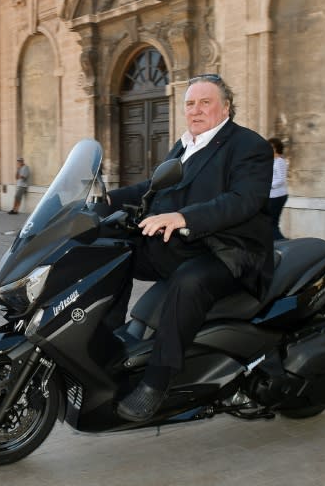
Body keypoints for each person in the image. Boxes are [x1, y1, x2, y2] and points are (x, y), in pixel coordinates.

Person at [108, 74, 273, 422]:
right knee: (115, 253)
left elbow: (243, 200)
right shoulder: (185, 145)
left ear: (225, 107)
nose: (195, 110)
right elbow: (152, 188)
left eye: (205, 102)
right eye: (189, 104)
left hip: (231, 252)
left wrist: (182, 217)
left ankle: (157, 382)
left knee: (189, 281)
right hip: (188, 244)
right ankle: (108, 337)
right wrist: (104, 200)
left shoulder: (249, 146)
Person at [268, 137, 288, 240]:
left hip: (278, 196)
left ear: (276, 148)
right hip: (272, 196)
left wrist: (268, 184)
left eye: (271, 147)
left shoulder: (279, 161)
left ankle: (283, 243)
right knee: (269, 222)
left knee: (272, 223)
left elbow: (281, 180)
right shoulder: (272, 161)